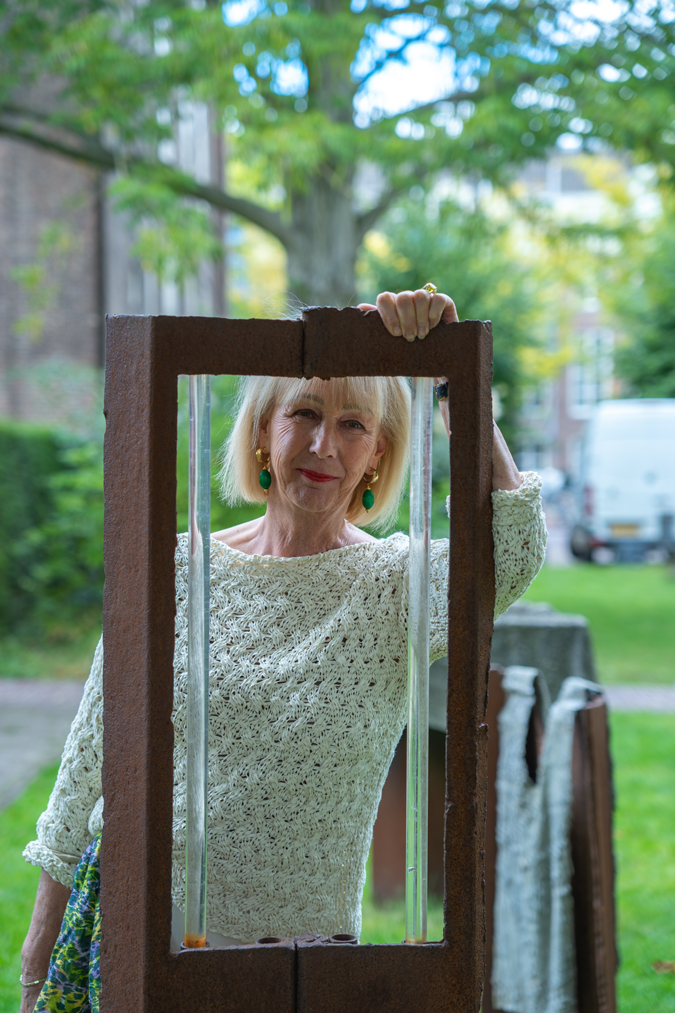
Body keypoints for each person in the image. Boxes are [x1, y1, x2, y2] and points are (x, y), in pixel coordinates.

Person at [19, 289, 547, 1012]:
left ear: (376, 456)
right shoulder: (172, 566)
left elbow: (510, 553)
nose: (323, 444)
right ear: (263, 433)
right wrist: (38, 944)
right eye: (303, 412)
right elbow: (87, 764)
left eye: (351, 424)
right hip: (131, 936)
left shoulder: (394, 586)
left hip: (295, 964)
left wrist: (457, 385)